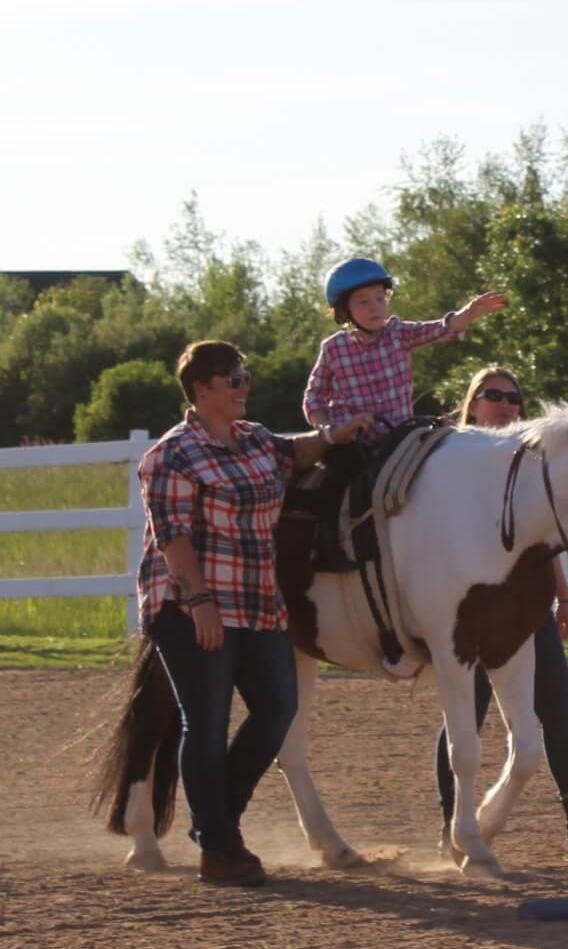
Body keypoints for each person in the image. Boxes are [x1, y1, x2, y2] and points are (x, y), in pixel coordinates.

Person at [138, 339, 373, 887]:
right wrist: (198, 602)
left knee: (277, 711)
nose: (245, 387)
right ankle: (219, 849)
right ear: (202, 391)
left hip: (257, 600)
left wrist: (336, 434)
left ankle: (216, 823)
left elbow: (294, 452)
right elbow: (171, 537)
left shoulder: (253, 439)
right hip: (191, 604)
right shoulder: (171, 455)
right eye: (234, 380)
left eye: (245, 377)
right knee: (208, 722)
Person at [432, 365, 568, 861]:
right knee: (467, 717)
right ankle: (451, 826)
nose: (505, 403)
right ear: (472, 404)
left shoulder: (530, 462)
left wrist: (560, 594)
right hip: (472, 610)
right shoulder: (455, 458)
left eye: (513, 397)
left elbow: (540, 541)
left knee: (558, 710)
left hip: (527, 603)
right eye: (493, 394)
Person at [303, 257, 505, 570]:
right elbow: (314, 397)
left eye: (380, 299)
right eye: (364, 302)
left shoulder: (398, 333)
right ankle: (328, 545)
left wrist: (468, 314)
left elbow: (438, 329)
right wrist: (330, 429)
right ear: (344, 311)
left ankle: (454, 534)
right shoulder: (333, 348)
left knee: (441, 452)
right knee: (336, 476)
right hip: (353, 439)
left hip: (399, 435)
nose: (375, 308)